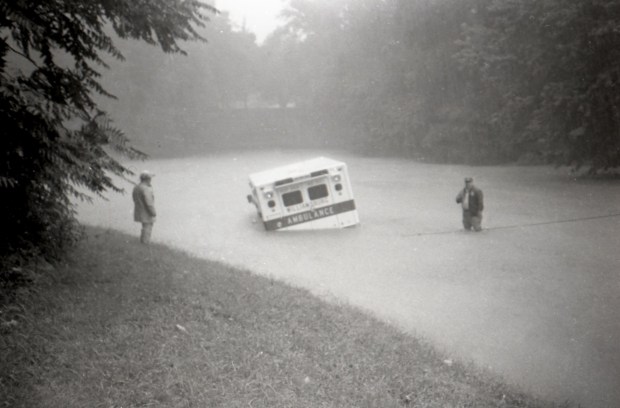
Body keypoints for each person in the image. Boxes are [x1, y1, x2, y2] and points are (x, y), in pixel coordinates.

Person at [133, 170, 157, 244]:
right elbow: (149, 202)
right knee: (148, 227)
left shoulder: (137, 187)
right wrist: (153, 212)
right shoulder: (146, 188)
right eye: (150, 178)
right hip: (146, 211)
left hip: (139, 210)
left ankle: (143, 242)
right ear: (147, 179)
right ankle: (145, 243)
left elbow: (134, 198)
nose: (151, 180)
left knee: (144, 226)